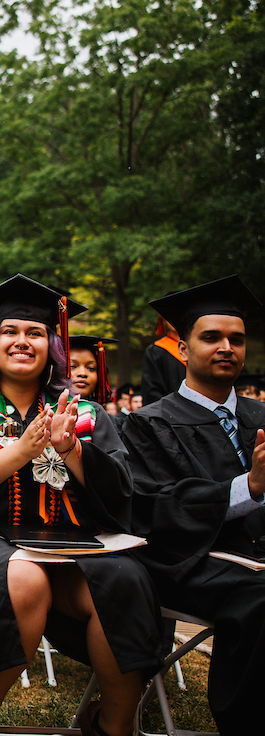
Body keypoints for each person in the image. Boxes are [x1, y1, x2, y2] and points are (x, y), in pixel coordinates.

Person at [0, 275, 160, 736]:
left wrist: (72, 449)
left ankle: (113, 726)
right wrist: (18, 452)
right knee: (25, 577)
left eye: (34, 333)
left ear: (52, 344)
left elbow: (122, 491)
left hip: (78, 550)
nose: (22, 341)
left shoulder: (86, 414)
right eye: (10, 332)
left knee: (124, 577)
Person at [119, 275, 265, 735]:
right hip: (188, 562)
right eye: (212, 337)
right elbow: (153, 510)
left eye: (236, 339)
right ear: (182, 349)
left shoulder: (261, 418)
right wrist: (250, 487)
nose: (227, 347)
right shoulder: (147, 425)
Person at [140, 315, 187, 405]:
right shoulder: (156, 351)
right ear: (163, 320)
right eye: (169, 315)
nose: (173, 320)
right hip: (167, 413)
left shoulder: (199, 349)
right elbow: (151, 391)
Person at [69, 335, 117, 406]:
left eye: (91, 368)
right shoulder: (48, 412)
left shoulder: (102, 415)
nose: (82, 373)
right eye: (72, 367)